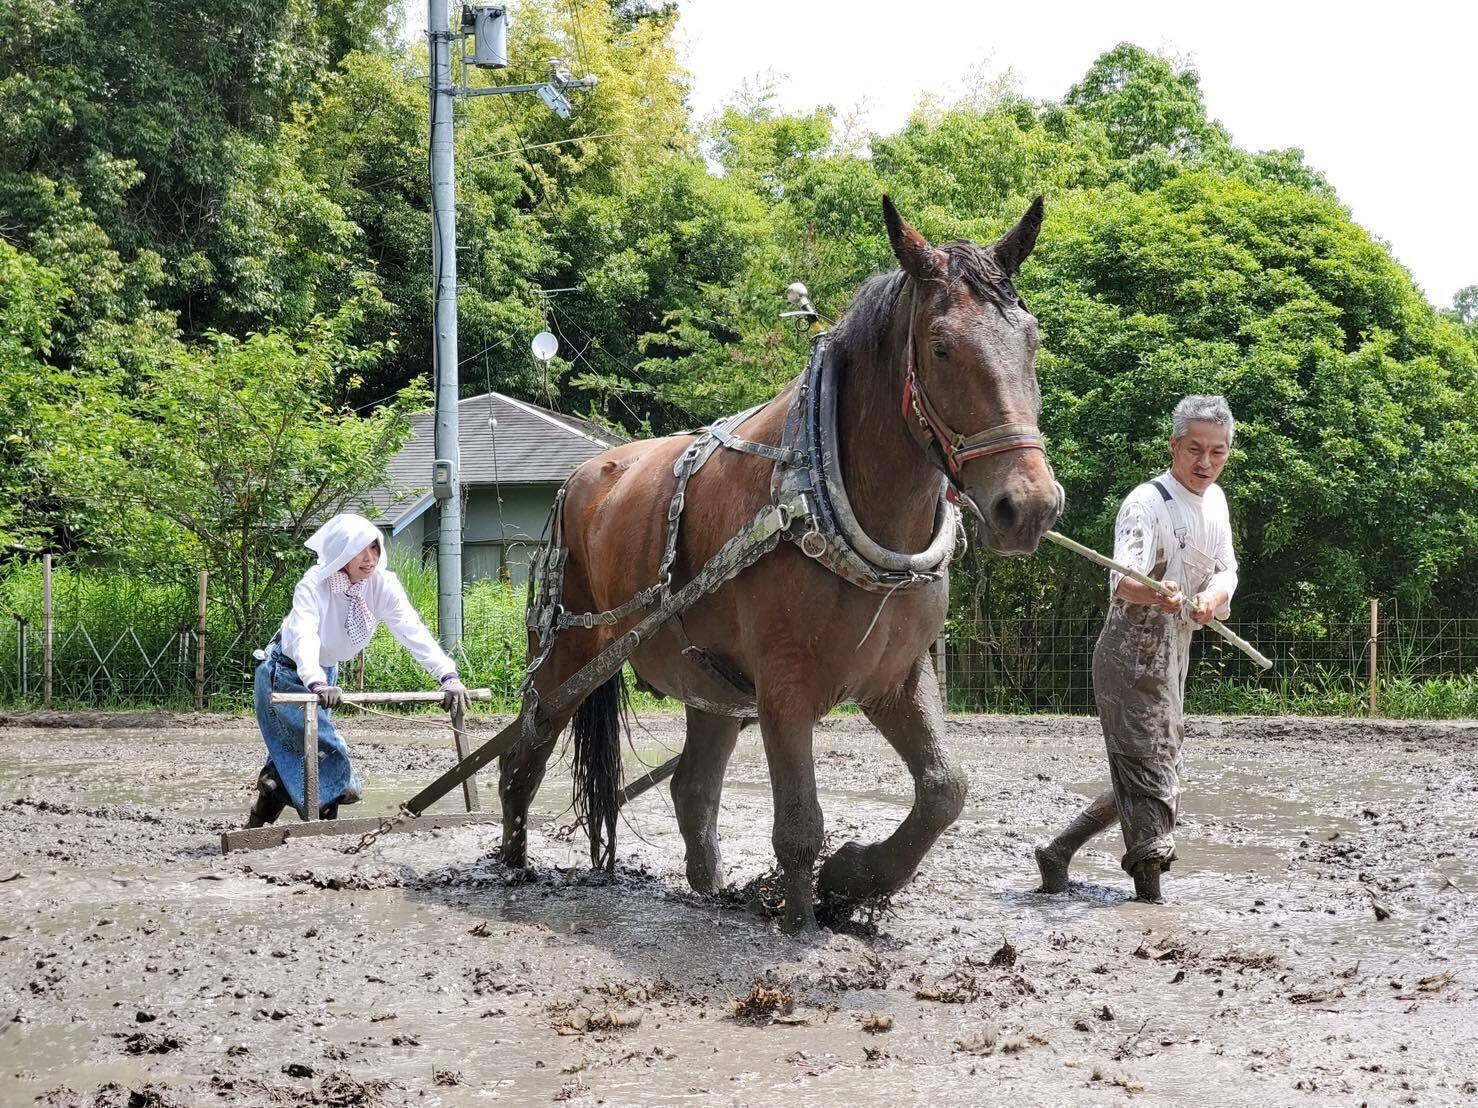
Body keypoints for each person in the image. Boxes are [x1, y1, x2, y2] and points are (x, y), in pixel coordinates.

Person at [1035, 395, 1240, 902]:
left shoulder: (1215, 502)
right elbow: (1121, 579)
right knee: (1149, 772)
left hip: (1175, 655)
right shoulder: (1146, 503)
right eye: (1195, 449)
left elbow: (1227, 569)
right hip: (1129, 655)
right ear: (1174, 446)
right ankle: (1150, 897)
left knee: (1151, 769)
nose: (1205, 463)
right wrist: (1161, 593)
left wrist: (1212, 597)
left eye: (1217, 453)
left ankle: (1059, 849)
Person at [246, 513, 471, 827]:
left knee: (300, 753)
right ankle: (323, 832)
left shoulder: (382, 584)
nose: (369, 559)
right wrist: (315, 682)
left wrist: (447, 675)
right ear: (340, 552)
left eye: (374, 549)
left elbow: (411, 630)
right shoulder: (314, 584)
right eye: (359, 551)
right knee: (325, 752)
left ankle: (257, 823)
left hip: (325, 676)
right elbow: (304, 636)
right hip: (286, 674)